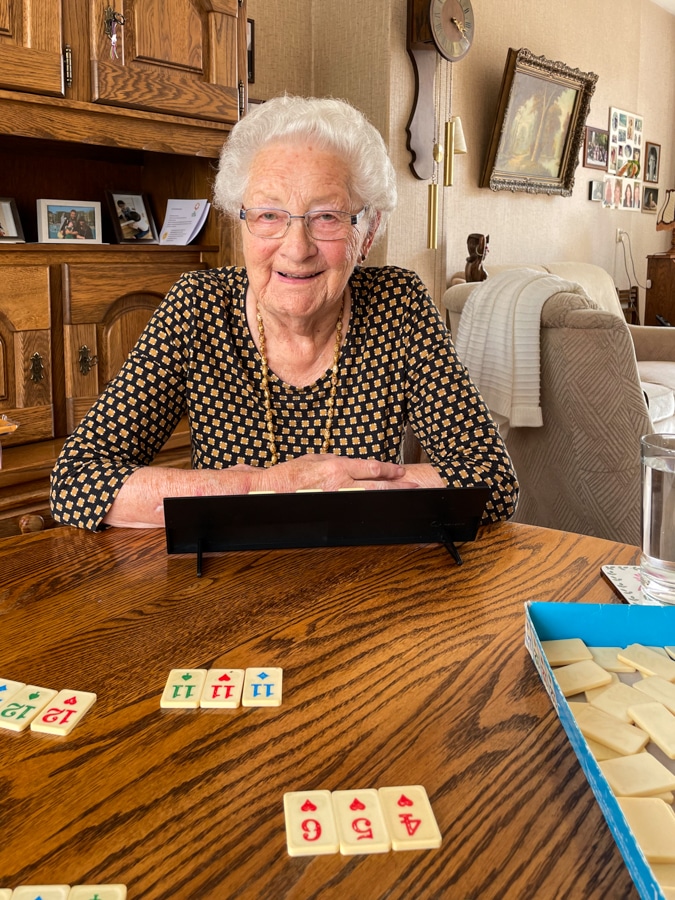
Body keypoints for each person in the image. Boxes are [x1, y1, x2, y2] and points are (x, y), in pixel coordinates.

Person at [50, 95, 518, 531]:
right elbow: (76, 480)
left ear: (368, 231)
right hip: (229, 586)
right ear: (241, 225)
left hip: (366, 583)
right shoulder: (198, 307)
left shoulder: (398, 305)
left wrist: (345, 490)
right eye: (269, 215)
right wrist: (262, 486)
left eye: (327, 217)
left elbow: (492, 479)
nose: (296, 249)